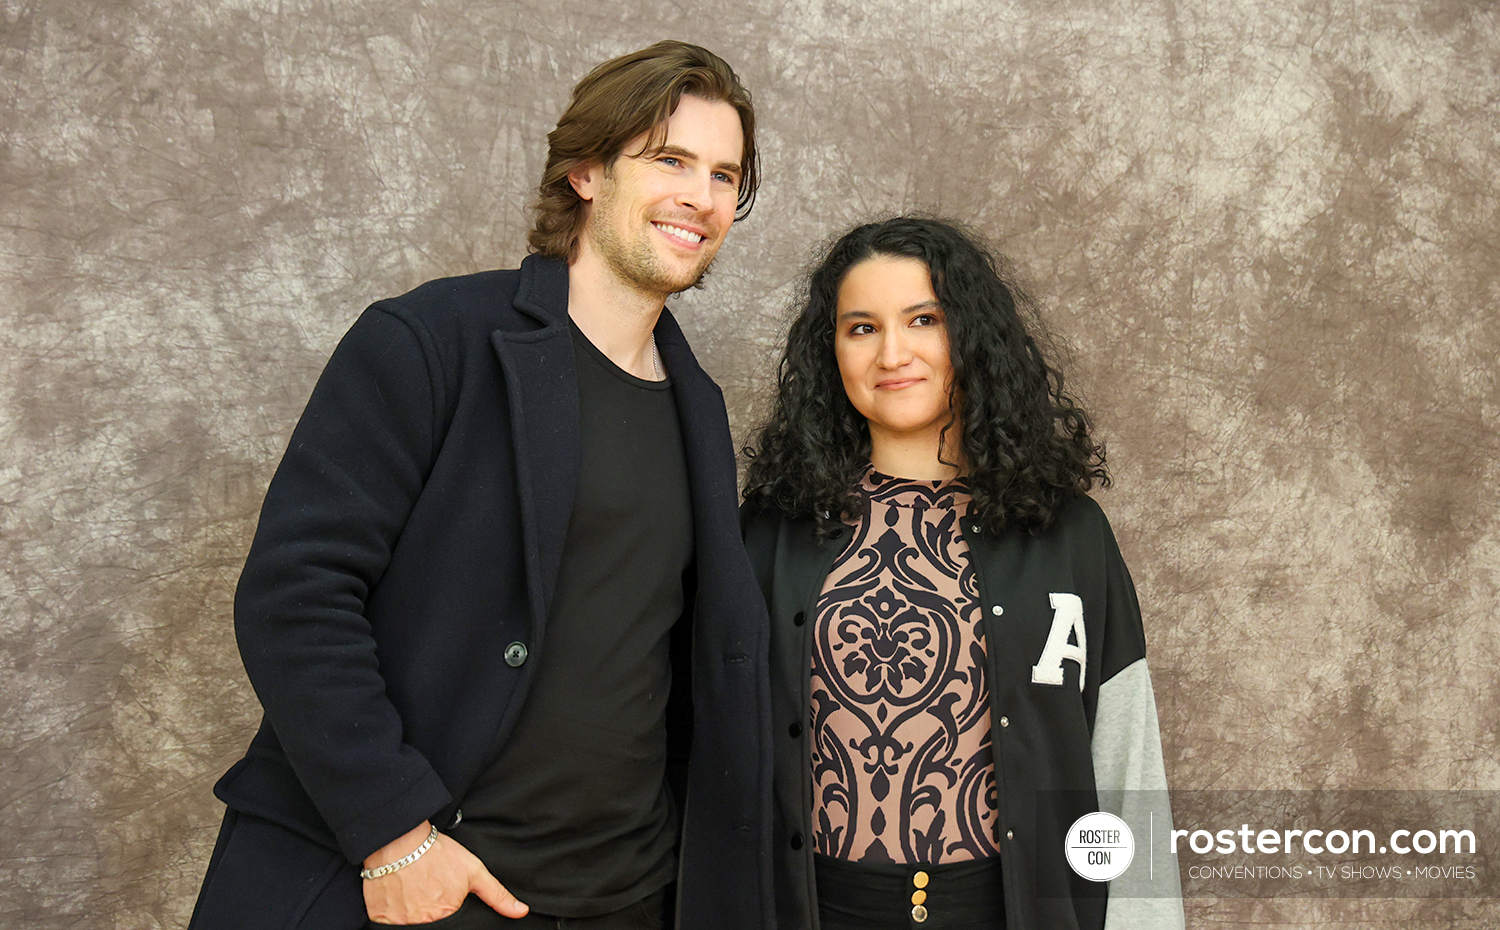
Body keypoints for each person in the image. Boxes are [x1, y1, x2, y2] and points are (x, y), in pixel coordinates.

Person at [190, 41, 770, 930]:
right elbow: (293, 596)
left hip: (625, 895)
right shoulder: (431, 342)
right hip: (427, 887)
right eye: (669, 160)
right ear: (586, 171)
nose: (701, 195)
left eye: (725, 174)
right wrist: (395, 836)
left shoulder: (699, 408)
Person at [741, 216, 1184, 929]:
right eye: (861, 328)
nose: (893, 353)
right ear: (830, 354)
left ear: (972, 339)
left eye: (924, 319)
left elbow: (1126, 766)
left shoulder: (1068, 535)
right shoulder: (769, 531)